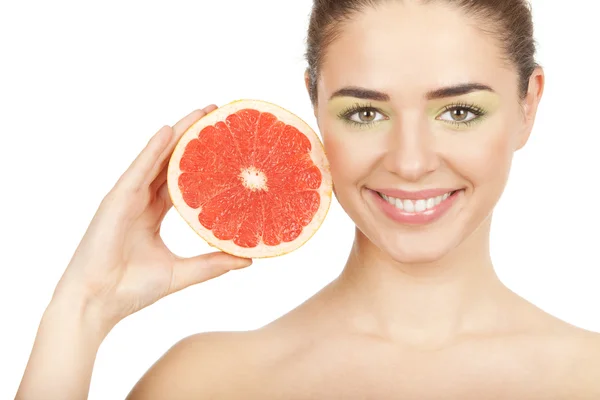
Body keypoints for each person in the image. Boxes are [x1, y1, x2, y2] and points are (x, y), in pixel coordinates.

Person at [16, 0, 600, 399]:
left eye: (459, 111)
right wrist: (82, 309)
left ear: (529, 105)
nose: (412, 160)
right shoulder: (207, 381)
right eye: (365, 112)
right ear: (315, 104)